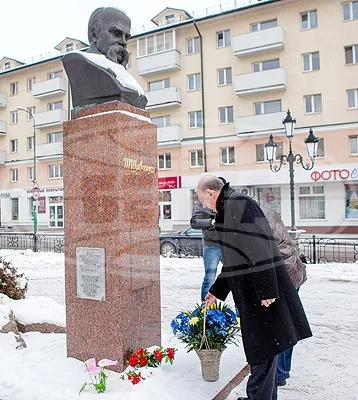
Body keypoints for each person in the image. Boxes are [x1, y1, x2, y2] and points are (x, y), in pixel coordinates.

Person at [197, 175, 312, 400]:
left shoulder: (238, 204)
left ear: (211, 193)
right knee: (264, 352)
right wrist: (217, 290)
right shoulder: (229, 206)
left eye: (202, 200)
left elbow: (260, 246)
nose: (203, 205)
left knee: (263, 352)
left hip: (261, 294)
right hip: (255, 292)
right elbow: (234, 259)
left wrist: (268, 289)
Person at [62, 7, 147, 110]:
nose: (124, 42)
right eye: (116, 33)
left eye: (127, 37)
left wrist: (119, 69)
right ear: (93, 34)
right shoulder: (77, 61)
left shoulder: (120, 71)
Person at [262, 206, 307, 387]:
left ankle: (279, 373)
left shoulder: (257, 220)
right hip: (293, 272)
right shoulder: (268, 213)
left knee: (280, 326)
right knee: (287, 323)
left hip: (284, 276)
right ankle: (284, 369)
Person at [190, 177, 226, 301]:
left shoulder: (229, 201)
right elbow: (194, 222)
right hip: (211, 246)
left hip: (229, 245)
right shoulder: (203, 202)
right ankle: (206, 311)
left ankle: (240, 312)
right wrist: (212, 222)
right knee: (209, 278)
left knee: (236, 277)